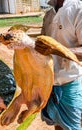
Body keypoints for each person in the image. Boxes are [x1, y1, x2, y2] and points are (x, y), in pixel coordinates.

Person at [35, 0, 82, 129]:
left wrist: (56, 50)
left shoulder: (78, 9)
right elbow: (41, 45)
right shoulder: (49, 14)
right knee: (57, 124)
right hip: (49, 84)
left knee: (72, 126)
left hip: (70, 82)